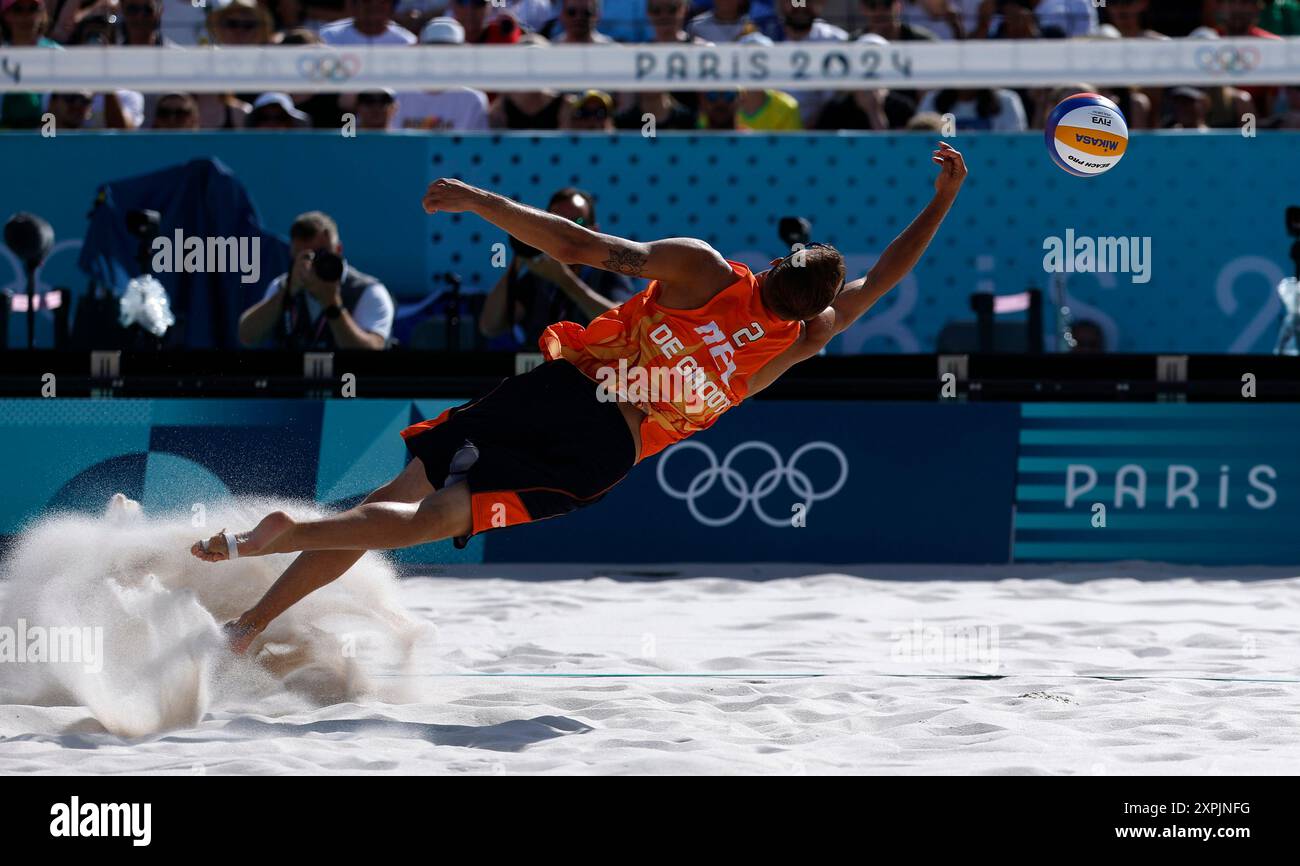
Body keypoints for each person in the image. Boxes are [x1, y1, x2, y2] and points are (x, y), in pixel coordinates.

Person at [194, 142, 969, 655]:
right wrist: (942, 201)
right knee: (428, 523)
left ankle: (252, 620)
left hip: (566, 386)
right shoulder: (804, 337)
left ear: (770, 265)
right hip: (602, 448)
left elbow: (583, 249)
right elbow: (887, 275)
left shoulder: (705, 272)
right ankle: (285, 538)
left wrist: (478, 198)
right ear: (808, 310)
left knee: (391, 499)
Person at [479, 187, 636, 347]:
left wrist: (566, 282)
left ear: (594, 231)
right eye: (557, 221)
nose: (566, 230)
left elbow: (624, 326)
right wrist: (520, 259)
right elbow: (490, 327)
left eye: (577, 222)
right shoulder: (539, 275)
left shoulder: (607, 272)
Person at [237, 211, 394, 350]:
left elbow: (372, 355)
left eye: (321, 254)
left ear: (338, 250)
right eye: (305, 257)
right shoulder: (283, 286)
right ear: (293, 256)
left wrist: (332, 304)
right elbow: (247, 336)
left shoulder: (368, 291)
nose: (314, 265)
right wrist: (287, 293)